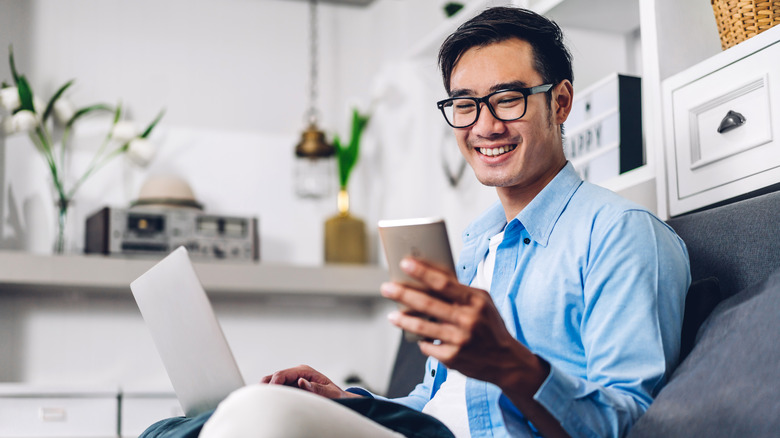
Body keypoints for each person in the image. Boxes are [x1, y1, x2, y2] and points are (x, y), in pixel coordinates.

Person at [167, 6, 690, 438]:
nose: (485, 125)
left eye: (507, 99)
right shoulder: (474, 243)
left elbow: (631, 424)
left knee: (257, 420)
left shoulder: (621, 232)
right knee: (182, 427)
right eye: (465, 105)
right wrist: (352, 403)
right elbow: (438, 399)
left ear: (560, 102)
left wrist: (508, 361)